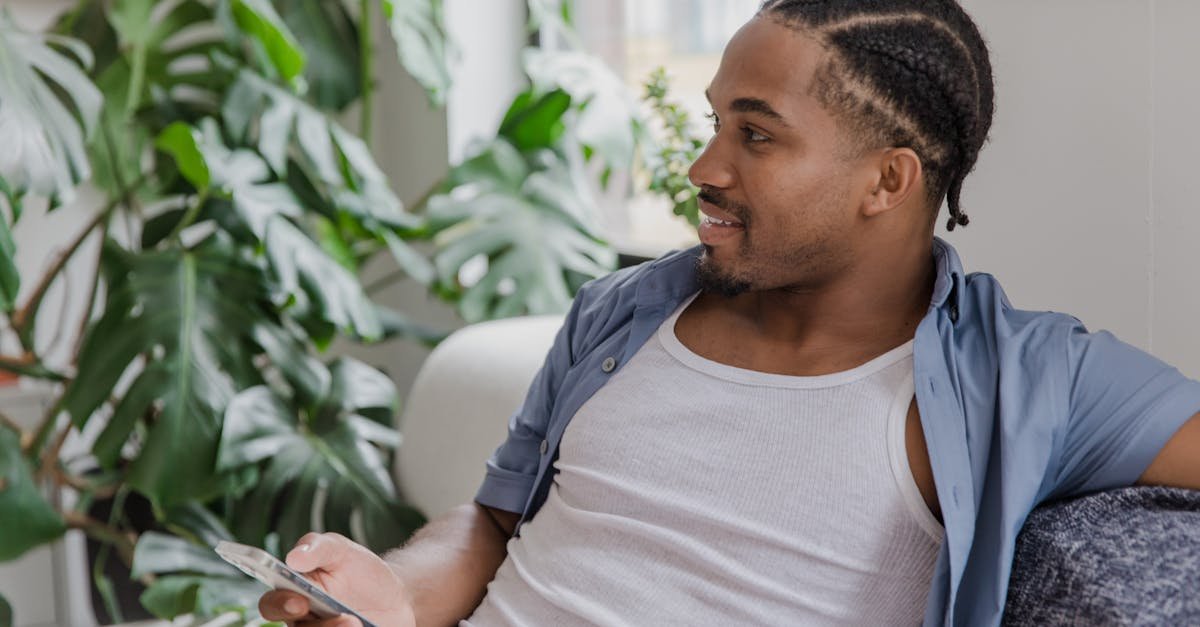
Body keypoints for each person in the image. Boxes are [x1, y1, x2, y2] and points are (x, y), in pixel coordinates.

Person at [260, 1, 1200, 625]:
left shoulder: (1025, 375)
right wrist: (394, 590)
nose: (705, 167)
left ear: (889, 179)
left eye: (756, 134)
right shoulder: (623, 315)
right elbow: (494, 523)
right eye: (713, 124)